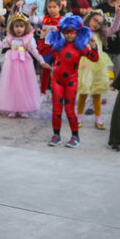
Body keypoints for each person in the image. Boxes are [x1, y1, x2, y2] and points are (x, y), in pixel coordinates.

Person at [44, 16, 99, 148]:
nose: (69, 35)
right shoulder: (57, 45)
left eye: (72, 32)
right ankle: (56, 135)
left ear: (78, 32)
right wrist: (42, 38)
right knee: (56, 110)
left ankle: (75, 136)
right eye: (66, 32)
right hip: (56, 80)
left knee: (69, 110)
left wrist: (94, 47)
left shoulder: (80, 47)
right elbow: (43, 51)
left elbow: (94, 58)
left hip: (71, 81)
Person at [0, 13, 48, 117]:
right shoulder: (9, 38)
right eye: (16, 26)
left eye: (21, 26)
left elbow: (34, 52)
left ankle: (23, 108)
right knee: (12, 85)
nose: (18, 29)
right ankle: (13, 108)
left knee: (24, 86)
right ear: (12, 27)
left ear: (26, 27)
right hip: (11, 66)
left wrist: (42, 62)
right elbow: (1, 45)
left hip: (24, 66)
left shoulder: (27, 40)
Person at [77, 10, 120, 129]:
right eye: (95, 20)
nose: (96, 24)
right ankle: (78, 118)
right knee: (83, 93)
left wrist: (117, 15)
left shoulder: (101, 34)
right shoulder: (81, 32)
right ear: (89, 18)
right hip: (85, 65)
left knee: (97, 94)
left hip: (98, 65)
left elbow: (114, 28)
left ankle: (98, 119)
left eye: (100, 23)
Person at [31, 0, 66, 98]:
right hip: (46, 47)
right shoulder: (43, 18)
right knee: (45, 67)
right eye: (49, 7)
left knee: (58, 69)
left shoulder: (63, 19)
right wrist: (33, 11)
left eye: (54, 7)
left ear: (59, 7)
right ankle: (44, 89)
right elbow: (33, 19)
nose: (52, 9)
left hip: (59, 48)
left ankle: (58, 87)